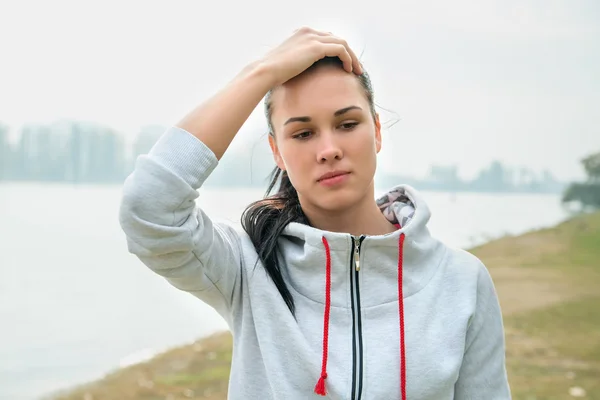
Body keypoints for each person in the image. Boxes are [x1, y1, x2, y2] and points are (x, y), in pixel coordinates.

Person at [119, 27, 511, 399]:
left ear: (376, 131)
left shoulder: (461, 282)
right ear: (276, 151)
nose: (328, 149)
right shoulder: (246, 268)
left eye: (347, 123)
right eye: (303, 133)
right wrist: (262, 71)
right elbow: (149, 207)